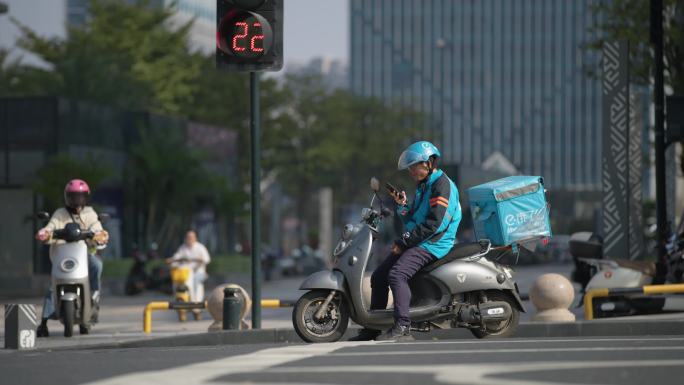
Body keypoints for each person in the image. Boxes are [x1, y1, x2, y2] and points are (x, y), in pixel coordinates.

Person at [354, 141, 462, 341]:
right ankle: (373, 328)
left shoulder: (442, 185)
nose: (412, 171)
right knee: (378, 277)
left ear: (429, 163)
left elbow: (434, 224)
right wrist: (402, 206)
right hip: (420, 241)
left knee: (396, 275)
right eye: (410, 168)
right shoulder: (424, 187)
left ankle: (403, 326)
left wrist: (404, 242)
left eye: (415, 166)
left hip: (433, 244)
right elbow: (414, 220)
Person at [35, 179, 109, 337]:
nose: (76, 200)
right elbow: (51, 226)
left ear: (86, 197)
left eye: (80, 196)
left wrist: (100, 235)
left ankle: (94, 295)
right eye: (73, 196)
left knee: (96, 264)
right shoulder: (60, 213)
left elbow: (97, 227)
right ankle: (43, 323)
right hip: (62, 255)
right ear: (66, 197)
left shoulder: (90, 213)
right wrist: (45, 233)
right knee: (52, 286)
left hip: (83, 255)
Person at [166, 230, 211, 303]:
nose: (190, 239)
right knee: (178, 281)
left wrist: (199, 259)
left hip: (199, 271)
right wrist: (171, 260)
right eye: (188, 237)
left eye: (191, 237)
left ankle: (197, 303)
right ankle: (181, 299)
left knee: (196, 282)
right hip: (187, 272)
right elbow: (176, 257)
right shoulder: (183, 248)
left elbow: (207, 259)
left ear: (195, 238)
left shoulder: (200, 247)